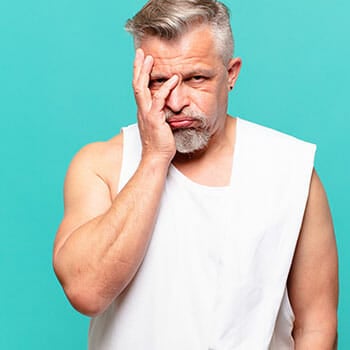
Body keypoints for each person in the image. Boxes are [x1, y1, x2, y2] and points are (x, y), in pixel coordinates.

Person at [53, 0, 338, 348]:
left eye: (196, 78)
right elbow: (86, 291)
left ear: (231, 74)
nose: (176, 101)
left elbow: (316, 325)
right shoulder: (100, 165)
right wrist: (155, 157)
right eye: (159, 81)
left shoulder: (292, 171)